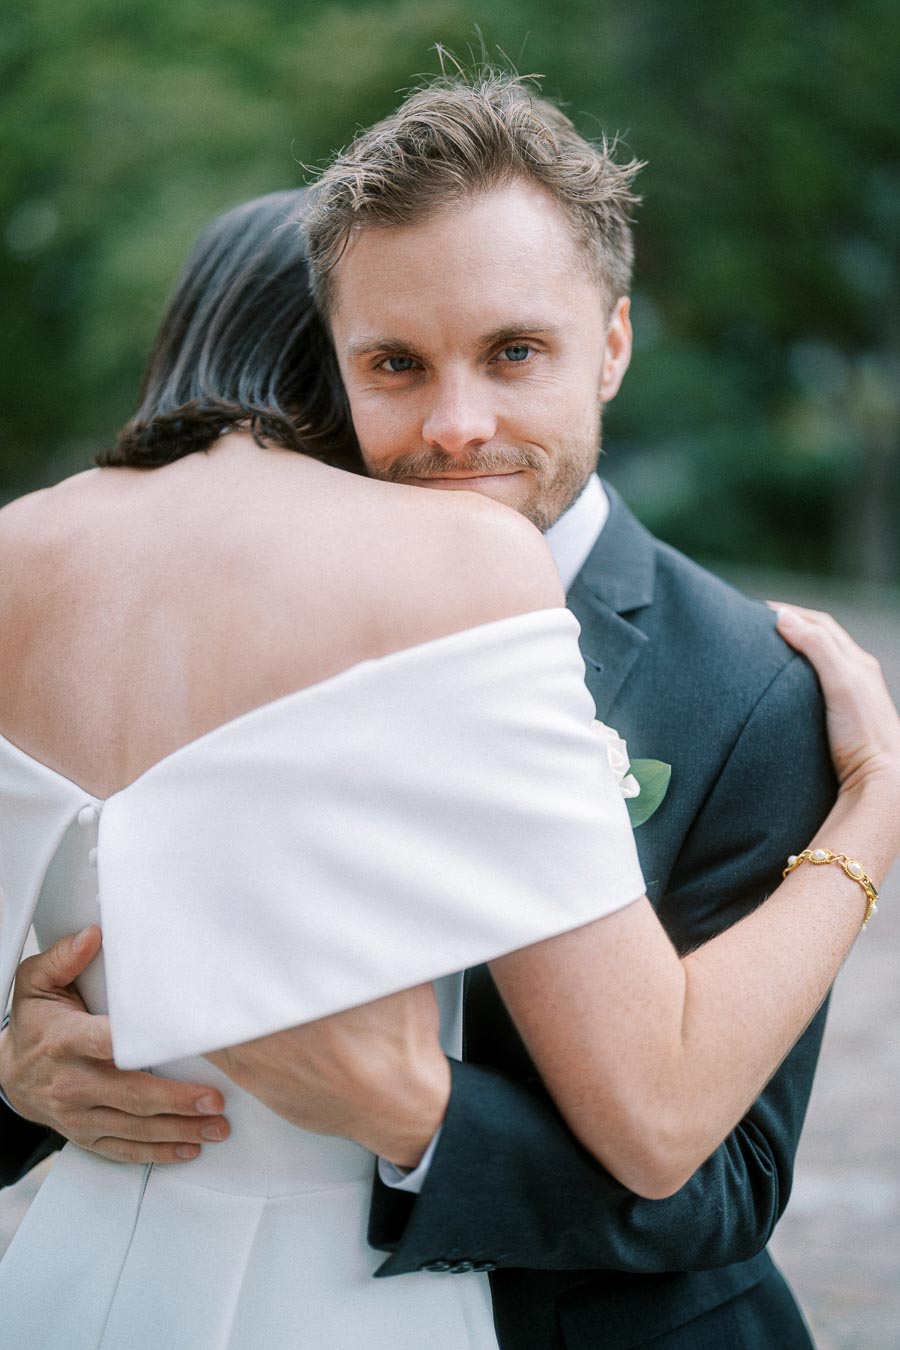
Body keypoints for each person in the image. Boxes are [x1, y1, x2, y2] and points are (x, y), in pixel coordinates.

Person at [0, 88, 896, 1350]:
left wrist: (427, 1124)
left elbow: (731, 1183)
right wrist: (22, 1076)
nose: (456, 427)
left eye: (517, 353)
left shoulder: (752, 683)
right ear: (335, 363)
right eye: (396, 365)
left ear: (614, 346)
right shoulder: (249, 608)